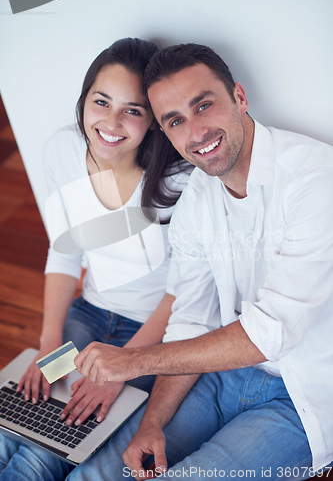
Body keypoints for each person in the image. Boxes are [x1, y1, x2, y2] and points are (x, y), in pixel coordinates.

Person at [65, 43, 333, 481]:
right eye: (175, 121)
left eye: (203, 106)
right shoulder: (197, 199)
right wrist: (152, 423)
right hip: (217, 375)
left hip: (302, 395)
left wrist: (134, 362)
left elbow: (271, 333)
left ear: (240, 98)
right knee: (97, 474)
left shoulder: (315, 179)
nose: (196, 132)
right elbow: (190, 320)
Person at [0, 38, 190, 480]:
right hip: (89, 312)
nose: (111, 121)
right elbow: (64, 250)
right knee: (15, 425)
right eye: (101, 101)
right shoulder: (61, 150)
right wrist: (49, 343)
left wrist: (124, 366)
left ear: (154, 122)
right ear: (84, 100)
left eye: (133, 110)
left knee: (45, 453)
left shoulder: (180, 180)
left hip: (150, 336)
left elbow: (183, 293)